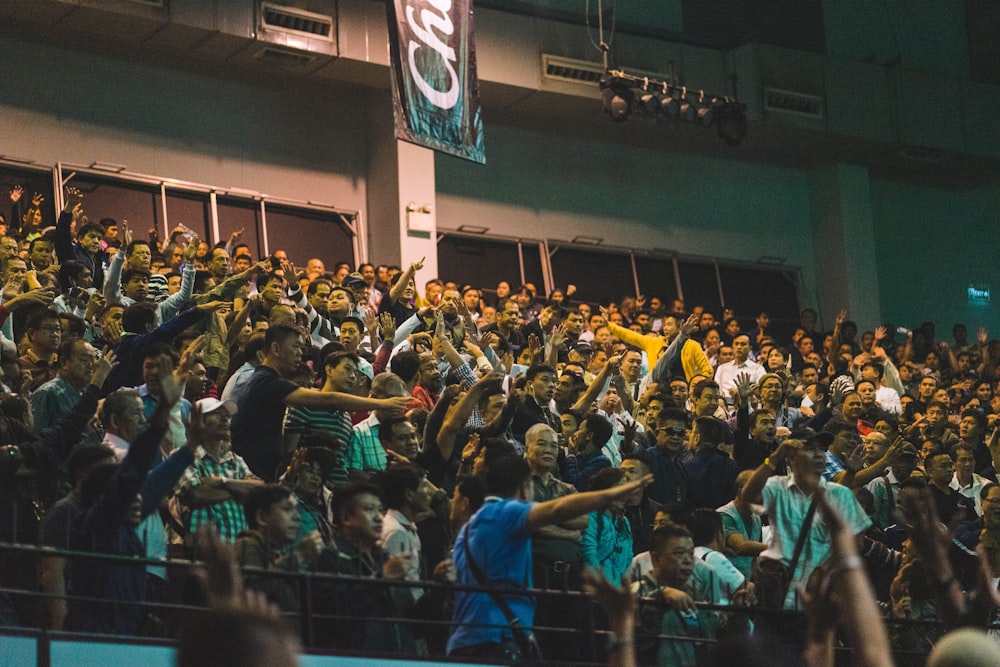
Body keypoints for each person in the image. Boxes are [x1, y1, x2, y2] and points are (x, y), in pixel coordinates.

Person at [447, 453, 650, 660]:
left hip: (465, 638)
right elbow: (557, 509)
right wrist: (610, 494)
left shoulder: (471, 525)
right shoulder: (505, 512)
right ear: (525, 488)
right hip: (495, 639)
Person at [231, 325, 411, 481]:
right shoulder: (266, 381)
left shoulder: (267, 380)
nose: (300, 354)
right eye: (295, 347)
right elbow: (328, 399)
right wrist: (384, 404)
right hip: (254, 472)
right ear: (276, 348)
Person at [740, 428, 871, 610]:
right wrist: (775, 457)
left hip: (814, 600)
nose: (818, 454)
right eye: (810, 449)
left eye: (821, 449)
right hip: (774, 595)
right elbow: (749, 495)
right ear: (791, 457)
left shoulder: (841, 494)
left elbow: (857, 542)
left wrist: (826, 570)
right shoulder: (778, 487)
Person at [581, 467, 634, 586]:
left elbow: (629, 557)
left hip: (618, 592)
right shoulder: (590, 517)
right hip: (596, 591)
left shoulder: (624, 522)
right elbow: (589, 554)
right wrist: (603, 588)